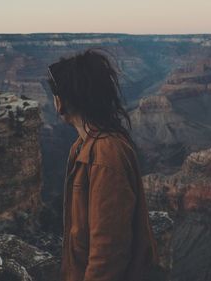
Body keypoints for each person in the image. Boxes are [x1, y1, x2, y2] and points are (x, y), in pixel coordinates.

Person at [47, 48, 159, 281]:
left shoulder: (104, 155)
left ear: (62, 102)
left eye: (55, 95)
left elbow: (108, 253)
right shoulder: (83, 146)